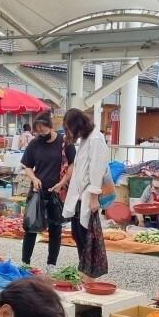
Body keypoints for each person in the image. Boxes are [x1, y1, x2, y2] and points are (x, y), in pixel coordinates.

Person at [21, 114, 75, 272]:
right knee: (31, 226)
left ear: (51, 127)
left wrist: (62, 182)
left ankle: (51, 264)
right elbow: (27, 166)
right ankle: (25, 263)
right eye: (37, 131)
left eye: (43, 130)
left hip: (57, 191)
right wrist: (34, 178)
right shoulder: (34, 143)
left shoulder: (65, 142)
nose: (40, 134)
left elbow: (72, 164)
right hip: (38, 191)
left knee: (55, 228)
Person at [61, 108, 109, 281]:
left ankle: (88, 278)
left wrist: (94, 196)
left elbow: (97, 169)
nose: (68, 132)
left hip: (88, 196)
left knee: (87, 238)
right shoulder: (85, 139)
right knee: (78, 234)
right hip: (79, 196)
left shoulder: (96, 138)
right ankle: (84, 274)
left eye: (69, 128)